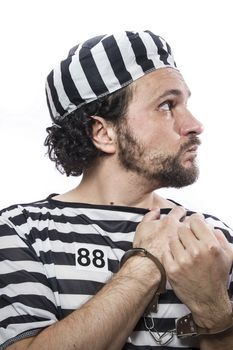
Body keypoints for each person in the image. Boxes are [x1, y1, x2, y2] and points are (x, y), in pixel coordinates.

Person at [0, 30, 233, 350]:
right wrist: (144, 266)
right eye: (167, 105)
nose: (193, 124)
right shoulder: (22, 231)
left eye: (185, 103)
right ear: (103, 132)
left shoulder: (211, 239)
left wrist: (215, 310)